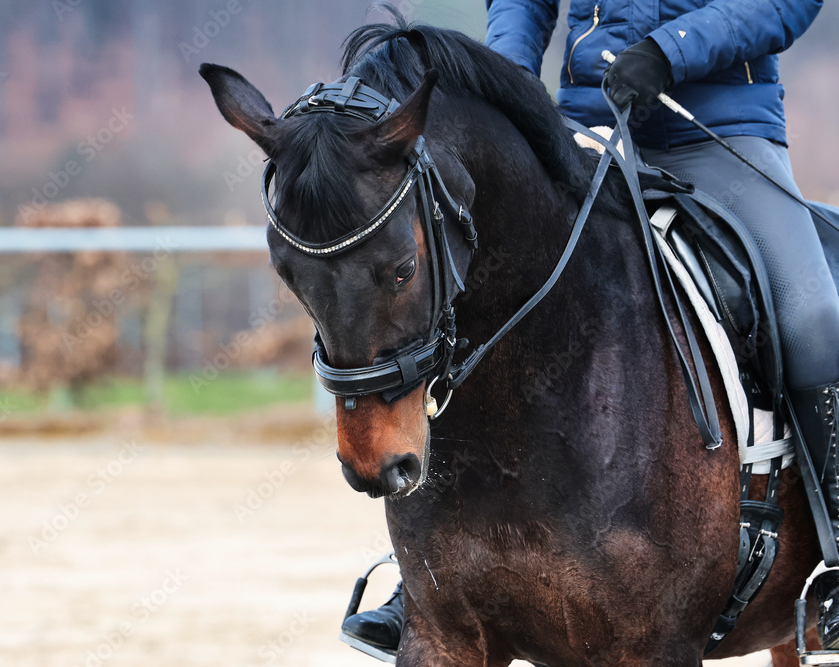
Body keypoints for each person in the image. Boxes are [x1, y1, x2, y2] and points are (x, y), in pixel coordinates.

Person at [342, 0, 839, 654]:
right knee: (476, 287)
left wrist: (670, 53)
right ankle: (430, 578)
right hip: (581, 126)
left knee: (815, 319)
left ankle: (833, 562)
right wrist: (507, 87)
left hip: (717, 128)